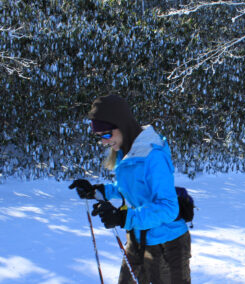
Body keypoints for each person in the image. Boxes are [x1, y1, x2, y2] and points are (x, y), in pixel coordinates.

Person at [69, 94, 191, 284]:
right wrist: (98, 191)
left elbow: (168, 207)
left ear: (121, 124)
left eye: (107, 134)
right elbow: (131, 189)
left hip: (167, 244)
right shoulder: (127, 152)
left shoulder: (153, 156)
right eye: (99, 137)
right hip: (137, 239)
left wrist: (124, 217)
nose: (104, 142)